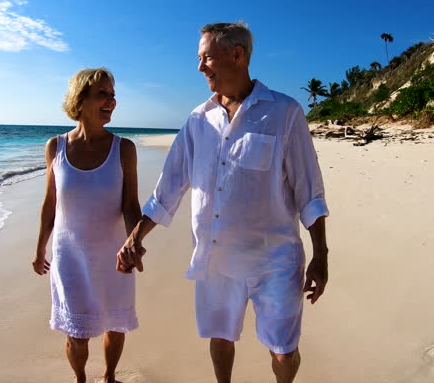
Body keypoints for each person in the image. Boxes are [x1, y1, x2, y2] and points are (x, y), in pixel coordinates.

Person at [117, 22, 329, 383]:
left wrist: (321, 255)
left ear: (237, 55)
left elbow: (309, 191)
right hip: (215, 258)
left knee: (283, 347)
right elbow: (169, 187)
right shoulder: (198, 120)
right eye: (199, 59)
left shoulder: (284, 112)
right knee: (220, 337)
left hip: (274, 260)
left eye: (207, 58)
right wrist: (136, 235)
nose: (200, 68)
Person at [33, 67, 140, 383]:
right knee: (76, 333)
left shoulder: (124, 148)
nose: (111, 101)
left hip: (113, 255)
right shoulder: (56, 147)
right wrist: (39, 249)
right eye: (102, 95)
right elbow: (49, 204)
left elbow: (131, 205)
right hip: (70, 257)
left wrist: (134, 241)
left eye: (113, 95)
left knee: (115, 324)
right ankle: (80, 379)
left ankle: (108, 377)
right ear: (80, 101)